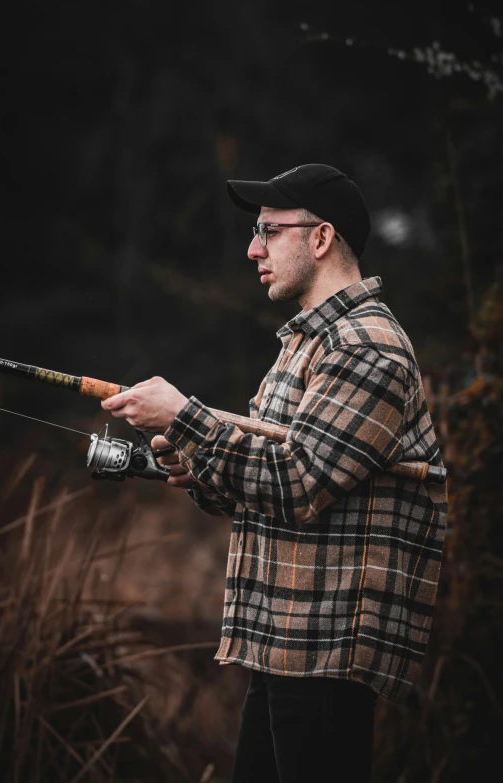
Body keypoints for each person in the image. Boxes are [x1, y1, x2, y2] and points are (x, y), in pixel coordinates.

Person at [101, 164, 448, 782]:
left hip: (325, 644)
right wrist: (189, 460)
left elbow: (298, 480)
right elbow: (254, 485)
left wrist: (186, 416)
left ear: (320, 239)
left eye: (268, 230)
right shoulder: (304, 346)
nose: (251, 248)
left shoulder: (366, 347)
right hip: (284, 644)